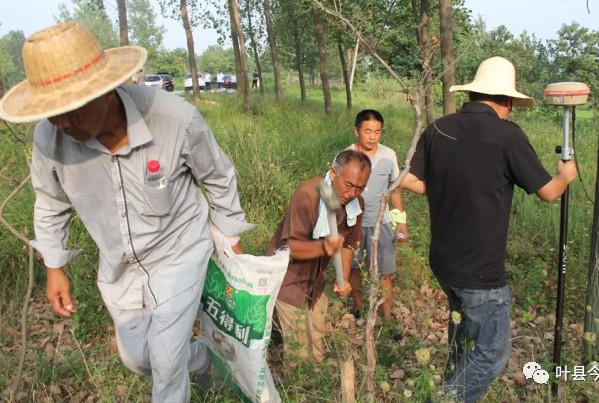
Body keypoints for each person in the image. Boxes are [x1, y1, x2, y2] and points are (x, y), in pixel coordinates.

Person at [0, 21, 254, 402]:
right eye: (53, 112)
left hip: (179, 252)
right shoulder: (50, 139)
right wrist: (55, 265)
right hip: (119, 265)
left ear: (105, 92)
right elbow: (50, 202)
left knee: (166, 366)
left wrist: (229, 236)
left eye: (71, 111)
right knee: (138, 357)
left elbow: (217, 176)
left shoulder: (173, 119)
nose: (62, 123)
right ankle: (207, 363)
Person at [401, 56, 578, 403]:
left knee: (464, 339)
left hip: (444, 263)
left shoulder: (437, 128)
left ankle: (450, 387)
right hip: (480, 272)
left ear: (471, 95)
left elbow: (411, 180)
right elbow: (548, 193)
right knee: (491, 354)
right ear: (506, 101)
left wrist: (449, 184)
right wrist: (565, 176)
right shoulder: (507, 135)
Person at [266, 150, 371, 363]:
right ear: (333, 173)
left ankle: (314, 383)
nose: (353, 193)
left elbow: (348, 244)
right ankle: (298, 390)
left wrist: (342, 280)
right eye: (349, 185)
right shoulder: (308, 196)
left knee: (317, 338)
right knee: (299, 349)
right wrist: (324, 247)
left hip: (316, 280)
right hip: (288, 278)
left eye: (360, 188)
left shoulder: (356, 205)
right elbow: (291, 247)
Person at [342, 109, 406, 325]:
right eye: (367, 131)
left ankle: (387, 319)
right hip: (353, 225)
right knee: (353, 268)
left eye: (377, 132)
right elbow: (335, 189)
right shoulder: (346, 156)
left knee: (385, 273)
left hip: (382, 223)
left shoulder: (388, 156)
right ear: (356, 131)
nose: (372, 136)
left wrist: (400, 222)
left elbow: (395, 190)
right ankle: (360, 308)